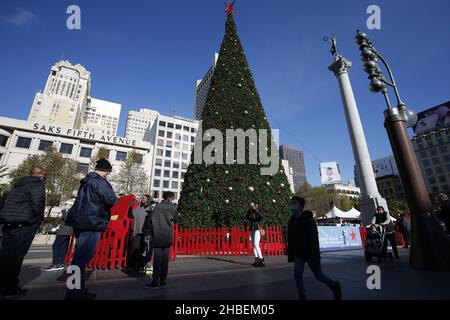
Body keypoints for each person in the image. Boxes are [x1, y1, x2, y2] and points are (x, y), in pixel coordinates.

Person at [64, 158, 118, 300]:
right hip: (92, 221)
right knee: (81, 259)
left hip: (80, 221)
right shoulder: (100, 182)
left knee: (78, 258)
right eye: (108, 172)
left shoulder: (86, 180)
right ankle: (73, 293)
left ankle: (77, 290)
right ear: (106, 171)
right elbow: (112, 200)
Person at [0, 166, 46, 298]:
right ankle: (10, 287)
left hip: (8, 223)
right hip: (24, 224)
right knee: (16, 256)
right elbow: (38, 204)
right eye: (43, 174)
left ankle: (3, 285)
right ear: (38, 174)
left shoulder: (17, 185)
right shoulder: (37, 185)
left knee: (5, 255)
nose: (44, 177)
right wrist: (38, 220)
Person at [287, 196, 341, 300]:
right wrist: (291, 253)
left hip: (310, 252)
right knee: (297, 276)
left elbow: (313, 238)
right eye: (291, 203)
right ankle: (302, 296)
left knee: (319, 275)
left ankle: (334, 285)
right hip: (299, 252)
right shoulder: (291, 220)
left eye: (294, 203)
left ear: (301, 206)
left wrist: (315, 255)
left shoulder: (308, 219)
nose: (292, 205)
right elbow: (291, 239)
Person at [144, 191, 178, 289]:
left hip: (157, 235)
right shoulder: (173, 208)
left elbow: (149, 221)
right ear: (170, 197)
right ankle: (163, 281)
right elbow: (176, 220)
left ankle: (155, 281)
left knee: (157, 260)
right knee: (165, 260)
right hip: (167, 236)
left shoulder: (156, 207)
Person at [45, 200, 74, 271]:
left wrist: (64, 210)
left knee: (55, 246)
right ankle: (61, 263)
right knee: (63, 247)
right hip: (67, 231)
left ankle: (55, 264)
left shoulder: (67, 211)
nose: (64, 205)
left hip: (64, 231)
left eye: (65, 204)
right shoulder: (72, 211)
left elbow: (67, 219)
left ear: (69, 205)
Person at [127, 194, 151, 273]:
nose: (142, 199)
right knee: (135, 250)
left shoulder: (150, 209)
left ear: (148, 200)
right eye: (142, 198)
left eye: (144, 198)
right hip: (137, 233)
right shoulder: (138, 209)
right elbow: (130, 215)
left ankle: (141, 266)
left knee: (143, 251)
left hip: (145, 233)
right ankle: (132, 266)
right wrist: (130, 206)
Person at [246, 203, 264, 267]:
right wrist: (250, 209)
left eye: (256, 206)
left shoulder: (259, 213)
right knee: (253, 245)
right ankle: (256, 260)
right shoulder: (251, 213)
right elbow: (247, 217)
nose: (254, 207)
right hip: (252, 229)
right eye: (254, 206)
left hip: (257, 229)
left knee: (256, 244)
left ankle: (262, 260)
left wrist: (256, 210)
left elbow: (261, 217)